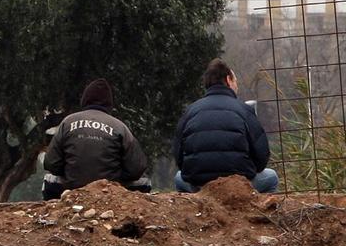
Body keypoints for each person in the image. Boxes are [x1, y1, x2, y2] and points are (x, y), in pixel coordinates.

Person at [174, 59, 278, 193]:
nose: (237, 86)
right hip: (239, 186)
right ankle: (258, 212)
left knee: (178, 178)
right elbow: (262, 157)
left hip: (199, 186)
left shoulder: (190, 112)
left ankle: (192, 211)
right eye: (235, 81)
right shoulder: (244, 110)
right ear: (228, 80)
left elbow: (179, 157)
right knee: (271, 177)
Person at [42, 78, 150, 200]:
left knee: (48, 179)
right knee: (145, 182)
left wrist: (71, 172)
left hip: (71, 188)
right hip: (109, 191)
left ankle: (56, 210)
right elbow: (137, 168)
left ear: (84, 100)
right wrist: (115, 179)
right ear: (110, 104)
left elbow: (51, 163)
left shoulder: (67, 122)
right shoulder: (120, 127)